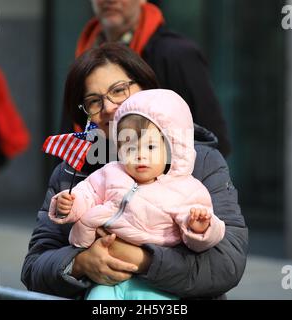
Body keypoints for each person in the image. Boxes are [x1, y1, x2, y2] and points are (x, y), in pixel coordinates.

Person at [21, 43, 248, 299]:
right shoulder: (73, 172)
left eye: (118, 90)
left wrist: (141, 259)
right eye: (93, 101)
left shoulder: (202, 161)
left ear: (147, 89)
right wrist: (80, 263)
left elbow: (227, 264)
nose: (108, 107)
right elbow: (34, 268)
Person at [49, 89, 226, 300]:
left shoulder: (185, 189)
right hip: (106, 277)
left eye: (150, 147)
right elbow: (87, 193)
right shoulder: (111, 172)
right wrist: (69, 204)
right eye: (130, 148)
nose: (140, 155)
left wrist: (199, 228)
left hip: (154, 281)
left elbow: (202, 240)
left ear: (171, 149)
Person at [73, 0, 231, 157]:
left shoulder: (176, 56)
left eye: (119, 90)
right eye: (93, 100)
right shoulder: (81, 56)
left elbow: (212, 142)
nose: (110, 0)